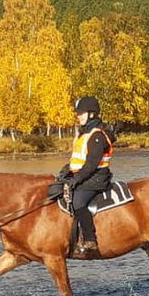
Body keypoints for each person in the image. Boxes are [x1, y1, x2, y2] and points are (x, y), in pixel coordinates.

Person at [57, 95, 113, 255]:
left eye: (81, 113)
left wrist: (76, 180)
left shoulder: (97, 135)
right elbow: (78, 161)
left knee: (78, 202)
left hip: (96, 178)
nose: (78, 116)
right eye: (78, 113)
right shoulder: (84, 134)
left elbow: (91, 164)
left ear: (92, 114)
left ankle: (90, 240)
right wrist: (67, 172)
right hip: (84, 175)